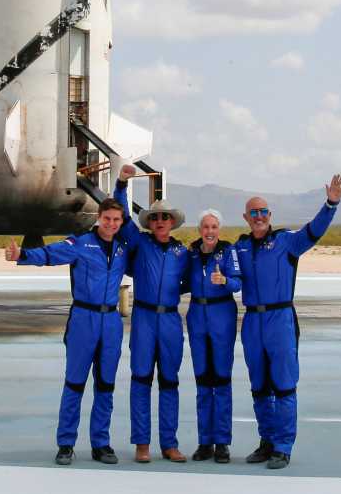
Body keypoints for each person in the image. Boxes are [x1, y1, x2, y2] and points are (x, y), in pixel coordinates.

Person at [232, 173, 341, 470]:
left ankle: (283, 446)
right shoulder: (240, 247)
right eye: (253, 213)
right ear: (246, 217)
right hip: (252, 322)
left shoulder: (287, 242)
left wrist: (331, 205)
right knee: (259, 386)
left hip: (280, 320)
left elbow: (314, 231)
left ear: (270, 215)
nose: (258, 217)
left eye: (263, 212)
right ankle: (266, 441)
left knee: (283, 385)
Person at [6, 197, 132, 466]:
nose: (111, 224)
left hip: (110, 321)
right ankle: (66, 444)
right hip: (83, 319)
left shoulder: (123, 248)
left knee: (105, 385)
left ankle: (101, 444)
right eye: (107, 218)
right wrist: (23, 255)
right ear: (99, 217)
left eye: (116, 220)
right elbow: (52, 254)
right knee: (75, 383)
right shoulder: (81, 243)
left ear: (122, 222)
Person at [114, 166, 189, 463]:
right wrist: (121, 182)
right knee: (141, 379)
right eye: (155, 217)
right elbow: (120, 210)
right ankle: (142, 444)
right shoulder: (139, 242)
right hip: (144, 318)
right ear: (150, 222)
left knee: (170, 381)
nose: (159, 221)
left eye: (164, 217)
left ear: (172, 222)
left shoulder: (183, 253)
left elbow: (195, 279)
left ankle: (169, 444)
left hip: (170, 320)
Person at [183, 208, 242, 463]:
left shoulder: (229, 252)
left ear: (219, 229)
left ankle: (222, 443)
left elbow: (239, 283)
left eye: (214, 227)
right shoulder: (191, 254)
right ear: (199, 230)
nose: (209, 231)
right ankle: (204, 441)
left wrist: (225, 281)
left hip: (222, 316)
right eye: (205, 227)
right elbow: (182, 280)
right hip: (197, 315)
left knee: (221, 379)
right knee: (202, 380)